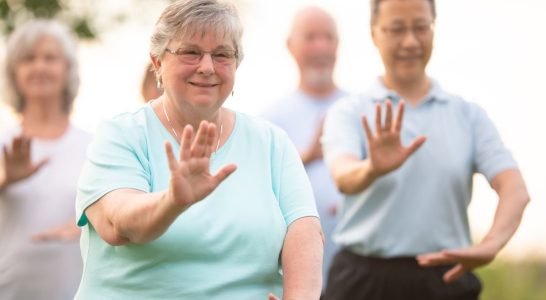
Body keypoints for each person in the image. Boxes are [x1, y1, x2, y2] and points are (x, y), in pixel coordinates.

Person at [75, 1, 323, 299]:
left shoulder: (272, 142)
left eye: (221, 55)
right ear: (157, 62)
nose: (207, 67)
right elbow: (118, 225)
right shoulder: (121, 136)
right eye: (190, 52)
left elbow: (305, 229)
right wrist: (172, 202)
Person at [321, 0, 530, 299]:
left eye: (421, 27)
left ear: (433, 28)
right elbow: (343, 175)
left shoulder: (467, 115)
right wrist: (372, 168)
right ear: (374, 34)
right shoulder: (349, 111)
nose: (410, 41)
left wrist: (491, 244)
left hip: (444, 279)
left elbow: (515, 189)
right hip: (362, 282)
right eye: (396, 29)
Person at [0, 20, 92, 299]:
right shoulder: (3, 143)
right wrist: (6, 179)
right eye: (28, 59)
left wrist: (90, 227)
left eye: (50, 58)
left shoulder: (95, 146)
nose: (39, 66)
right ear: (14, 72)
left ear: (68, 70)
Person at [263, 6, 346, 290]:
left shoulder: (363, 109)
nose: (321, 46)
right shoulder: (270, 119)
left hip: (362, 277)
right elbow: (259, 187)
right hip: (295, 280)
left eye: (328, 37)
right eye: (311, 37)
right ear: (291, 46)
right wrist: (310, 154)